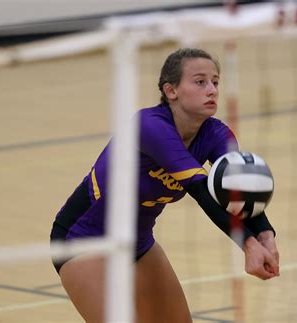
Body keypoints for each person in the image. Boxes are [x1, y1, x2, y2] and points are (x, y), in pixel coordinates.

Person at [50, 48, 279, 323]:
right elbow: (202, 191)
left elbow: (237, 189)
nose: (212, 90)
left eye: (215, 82)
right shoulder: (150, 126)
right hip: (82, 239)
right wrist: (248, 244)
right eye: (200, 81)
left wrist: (265, 234)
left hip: (138, 243)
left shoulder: (218, 135)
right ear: (171, 91)